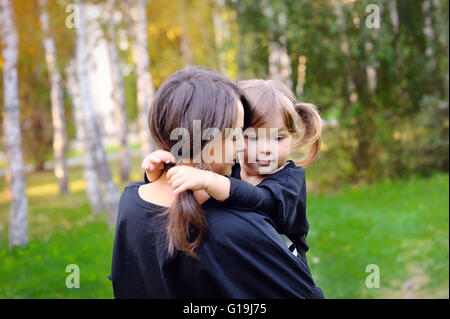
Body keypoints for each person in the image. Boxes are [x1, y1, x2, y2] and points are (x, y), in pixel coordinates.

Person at [109, 67, 324, 298]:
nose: (264, 149)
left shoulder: (289, 179)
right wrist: (159, 173)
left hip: (287, 259)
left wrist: (208, 179)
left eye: (278, 137)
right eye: (241, 136)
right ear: (207, 138)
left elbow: (262, 200)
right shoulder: (232, 191)